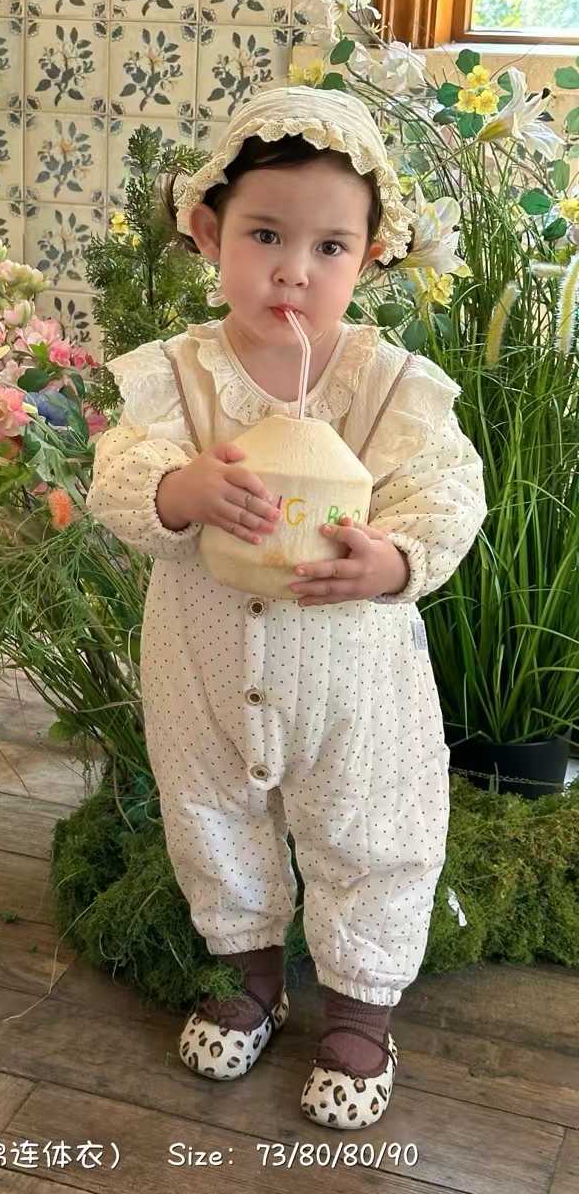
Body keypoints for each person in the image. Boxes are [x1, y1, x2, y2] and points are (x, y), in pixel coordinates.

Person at [86, 85, 486, 1129]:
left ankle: (361, 1007)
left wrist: (393, 560)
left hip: (354, 680)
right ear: (208, 232)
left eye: (329, 248)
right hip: (204, 659)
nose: (293, 271)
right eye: (265, 235)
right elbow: (121, 471)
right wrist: (180, 490)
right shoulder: (180, 377)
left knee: (369, 823)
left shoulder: (387, 385)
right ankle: (248, 972)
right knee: (212, 812)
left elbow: (447, 491)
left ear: (371, 257)